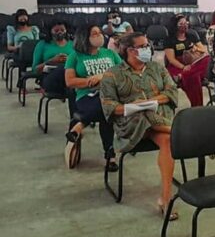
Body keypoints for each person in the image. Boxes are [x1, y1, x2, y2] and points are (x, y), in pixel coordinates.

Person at [100, 32, 179, 219]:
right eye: (143, 46)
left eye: (147, 45)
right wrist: (133, 106)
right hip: (130, 123)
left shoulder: (156, 68)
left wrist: (149, 101)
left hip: (158, 119)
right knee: (143, 115)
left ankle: (165, 199)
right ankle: (184, 133)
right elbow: (109, 106)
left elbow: (171, 91)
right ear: (130, 50)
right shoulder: (113, 74)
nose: (148, 49)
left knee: (167, 140)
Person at [64, 25, 121, 170]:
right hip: (86, 96)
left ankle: (79, 125)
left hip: (110, 94)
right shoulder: (75, 56)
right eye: (94, 34)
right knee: (107, 111)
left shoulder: (109, 53)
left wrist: (103, 77)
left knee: (107, 108)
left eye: (99, 33)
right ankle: (110, 155)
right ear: (85, 37)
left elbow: (123, 73)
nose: (99, 36)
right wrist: (90, 81)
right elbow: (70, 81)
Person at [164, 14, 210, 107]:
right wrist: (183, 67)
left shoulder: (192, 35)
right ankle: (198, 106)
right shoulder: (169, 40)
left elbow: (204, 50)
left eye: (186, 23)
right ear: (175, 25)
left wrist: (195, 49)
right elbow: (171, 60)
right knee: (194, 77)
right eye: (181, 23)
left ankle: (183, 76)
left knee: (208, 58)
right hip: (177, 65)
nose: (184, 25)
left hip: (193, 63)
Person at [31, 19, 74, 95]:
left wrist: (70, 60)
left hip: (70, 75)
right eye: (56, 30)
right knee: (62, 69)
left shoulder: (73, 44)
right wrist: (51, 61)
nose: (60, 32)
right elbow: (35, 69)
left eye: (62, 30)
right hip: (49, 76)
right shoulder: (42, 45)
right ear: (50, 31)